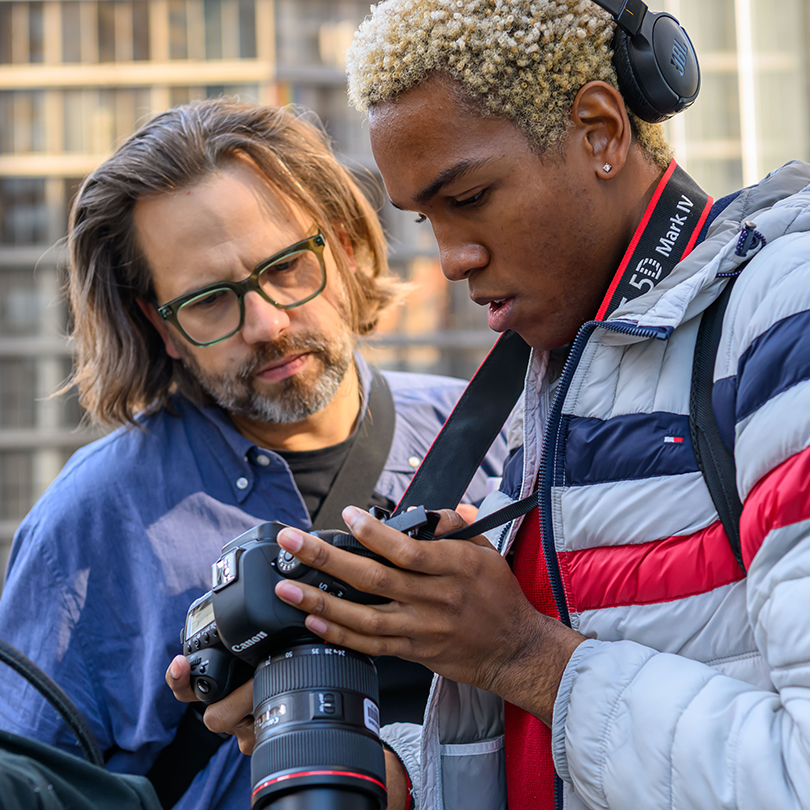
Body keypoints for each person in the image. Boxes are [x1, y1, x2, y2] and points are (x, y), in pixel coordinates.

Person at [169, 1, 810, 809]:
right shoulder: (563, 373)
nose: (449, 259)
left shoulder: (783, 316)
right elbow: (567, 757)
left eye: (468, 197)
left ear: (602, 130)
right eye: (425, 220)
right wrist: (376, 761)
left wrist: (521, 655)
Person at [0, 98, 507, 810]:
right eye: (210, 300)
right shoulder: (85, 527)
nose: (267, 323)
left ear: (347, 247)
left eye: (288, 268)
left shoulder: (502, 439)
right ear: (162, 325)